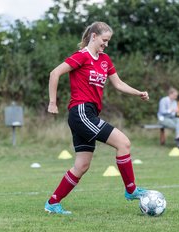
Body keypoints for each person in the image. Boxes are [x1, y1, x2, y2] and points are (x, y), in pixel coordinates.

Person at [45, 22, 150, 214]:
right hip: (81, 112)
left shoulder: (104, 60)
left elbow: (118, 84)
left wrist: (138, 93)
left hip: (89, 114)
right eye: (104, 40)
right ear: (93, 36)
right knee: (123, 143)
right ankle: (131, 190)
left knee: (82, 164)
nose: (106, 45)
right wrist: (52, 102)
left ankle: (53, 202)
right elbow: (55, 73)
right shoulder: (81, 57)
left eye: (108, 41)